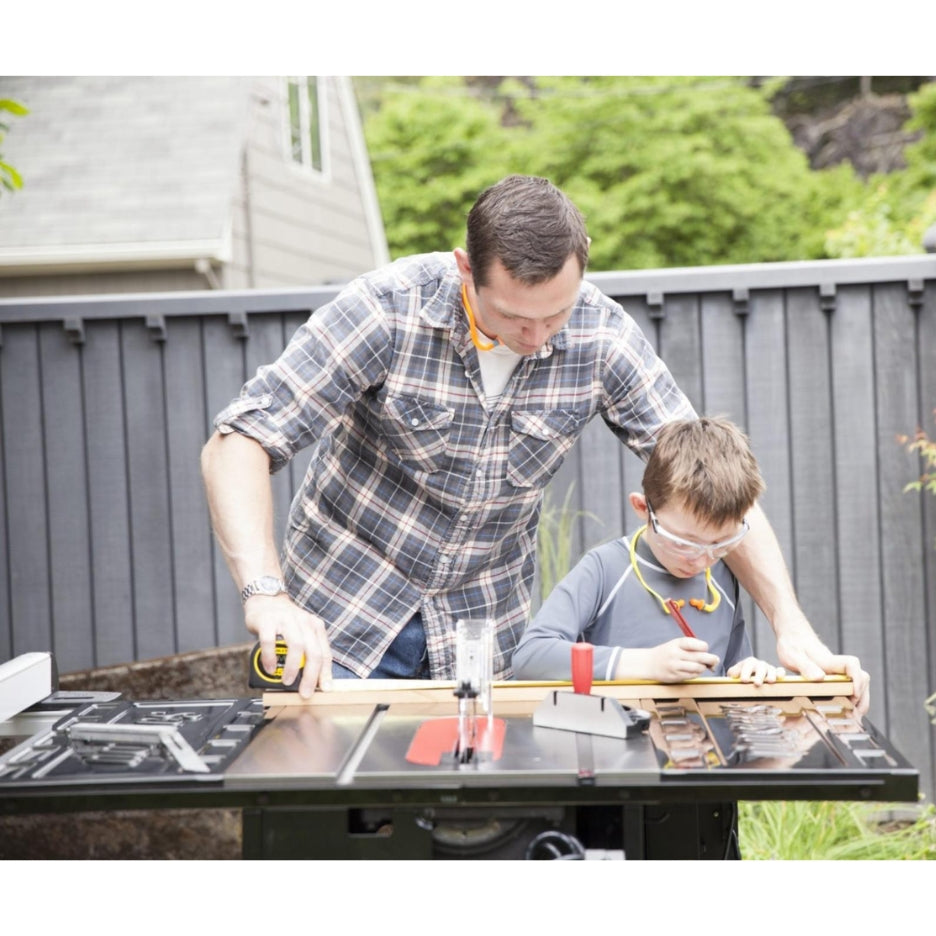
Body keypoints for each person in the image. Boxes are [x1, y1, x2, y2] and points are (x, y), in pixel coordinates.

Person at [200, 174, 869, 711]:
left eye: (558, 313)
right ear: (467, 269)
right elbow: (240, 440)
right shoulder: (388, 309)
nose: (540, 337)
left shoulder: (602, 335)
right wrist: (267, 595)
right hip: (343, 617)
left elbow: (707, 475)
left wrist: (790, 623)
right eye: (517, 317)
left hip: (483, 632)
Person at [513, 417, 783, 686]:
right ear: (643, 509)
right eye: (684, 543)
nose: (702, 560)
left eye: (721, 544)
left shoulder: (722, 575)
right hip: (617, 728)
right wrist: (646, 664)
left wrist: (749, 671)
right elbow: (532, 656)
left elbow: (730, 669)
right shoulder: (605, 569)